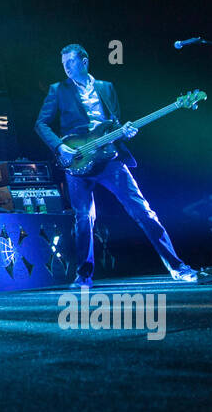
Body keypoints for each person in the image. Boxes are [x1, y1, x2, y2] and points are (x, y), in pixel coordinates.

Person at [35, 43, 197, 288]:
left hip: (109, 160)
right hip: (77, 161)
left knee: (142, 211)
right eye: (64, 64)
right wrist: (60, 147)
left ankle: (177, 266)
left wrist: (125, 132)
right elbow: (41, 124)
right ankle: (83, 276)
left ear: (84, 61)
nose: (66, 68)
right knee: (84, 218)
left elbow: (115, 123)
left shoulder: (106, 88)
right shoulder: (58, 90)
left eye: (70, 62)